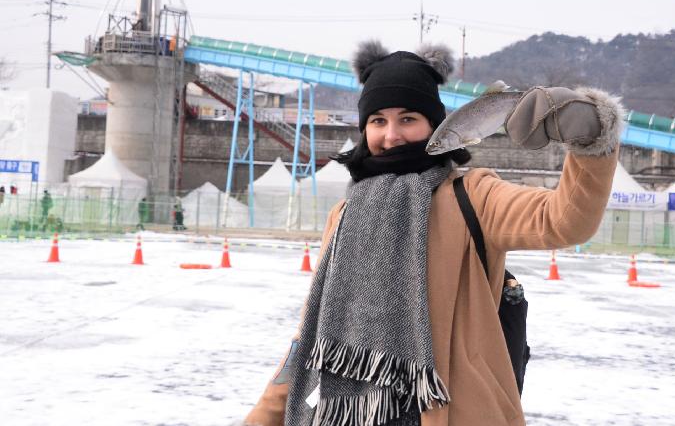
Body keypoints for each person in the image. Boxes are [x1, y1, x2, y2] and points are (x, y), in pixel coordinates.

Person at [244, 41, 623, 426]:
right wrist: (263, 416)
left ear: (434, 126)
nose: (391, 135)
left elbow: (563, 221)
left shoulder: (472, 196)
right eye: (378, 121)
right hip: (348, 414)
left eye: (408, 118)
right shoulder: (344, 214)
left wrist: (592, 138)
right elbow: (312, 333)